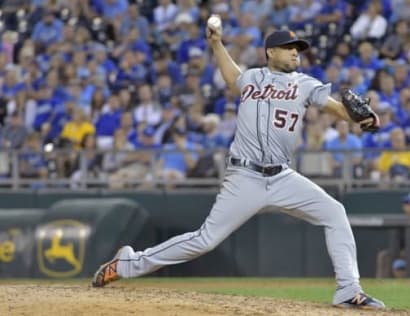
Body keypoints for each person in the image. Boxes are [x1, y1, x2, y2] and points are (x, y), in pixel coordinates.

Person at [92, 18, 385, 310]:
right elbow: (232, 77)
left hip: (282, 176)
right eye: (288, 47)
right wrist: (216, 43)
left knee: (334, 212)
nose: (296, 52)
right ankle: (130, 263)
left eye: (298, 48)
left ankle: (348, 289)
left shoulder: (306, 84)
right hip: (245, 176)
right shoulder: (253, 78)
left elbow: (339, 110)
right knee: (205, 240)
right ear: (270, 52)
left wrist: (363, 119)